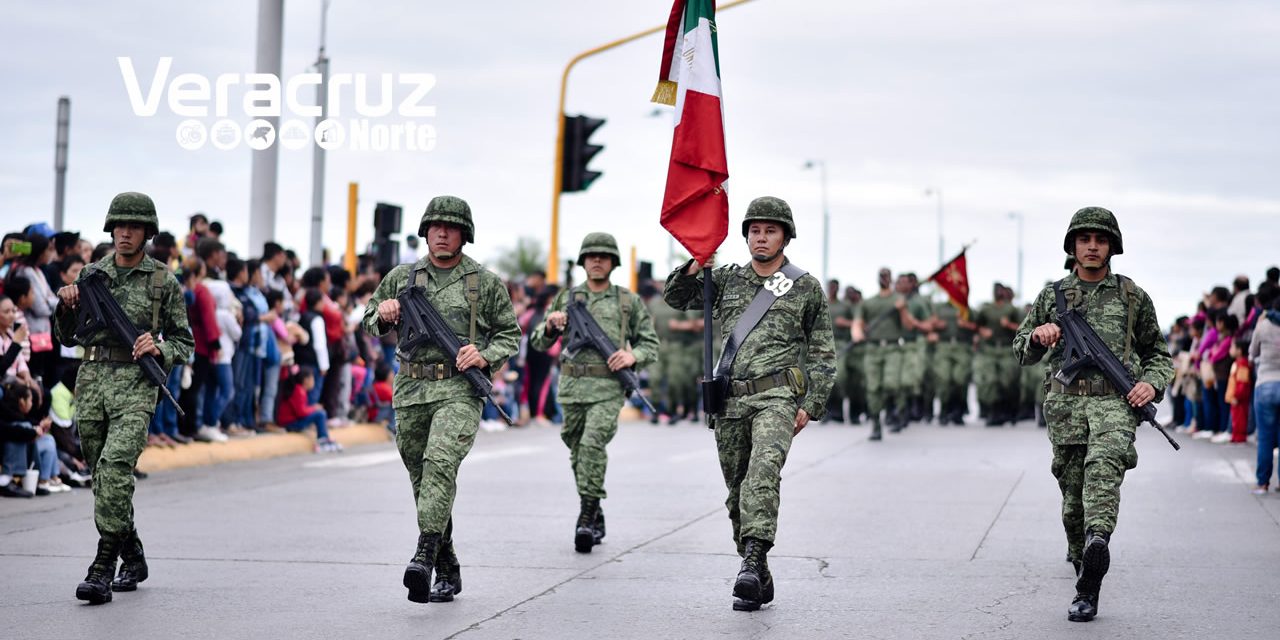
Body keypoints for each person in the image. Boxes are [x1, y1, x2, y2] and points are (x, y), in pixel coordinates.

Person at [663, 196, 836, 612]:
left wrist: (811, 404)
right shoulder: (726, 280)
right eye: (755, 231)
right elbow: (676, 295)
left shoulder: (805, 286)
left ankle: (753, 560)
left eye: (770, 230)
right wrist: (696, 260)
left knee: (762, 474)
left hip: (776, 397)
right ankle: (756, 568)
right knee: (737, 490)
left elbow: (823, 353)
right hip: (730, 400)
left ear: (785, 236)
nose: (761, 238)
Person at [1013, 206, 1173, 622]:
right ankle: (1082, 554)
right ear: (1073, 246)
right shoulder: (1054, 296)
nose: (1092, 247)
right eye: (1084, 239)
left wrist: (1151, 384)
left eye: (1100, 240)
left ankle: (1094, 561)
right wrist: (1037, 336)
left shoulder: (1133, 297)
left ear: (1112, 247)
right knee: (1072, 501)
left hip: (1115, 406)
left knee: (1102, 474)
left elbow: (1158, 353)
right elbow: (1021, 351)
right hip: (1066, 407)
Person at [361, 196, 520, 604]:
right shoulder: (402, 276)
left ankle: (423, 556)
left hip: (458, 389)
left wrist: (484, 354)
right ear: (425, 232)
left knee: (439, 463)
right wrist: (385, 311)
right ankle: (448, 567)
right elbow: (370, 317)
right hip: (411, 390)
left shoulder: (483, 282)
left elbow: (509, 334)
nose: (443, 233)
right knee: (424, 480)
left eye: (451, 227)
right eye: (436, 227)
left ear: (464, 234)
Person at [53, 192, 194, 604]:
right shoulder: (91, 275)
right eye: (119, 225)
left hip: (136, 386)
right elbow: (66, 337)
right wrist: (65, 306)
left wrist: (160, 348)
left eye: (133, 226)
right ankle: (133, 554)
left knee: (115, 472)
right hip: (93, 382)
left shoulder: (162, 280)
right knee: (103, 481)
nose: (125, 233)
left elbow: (185, 341)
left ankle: (102, 566)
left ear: (147, 232)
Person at [530, 232, 660, 552]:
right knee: (576, 450)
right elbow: (537, 341)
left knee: (591, 446)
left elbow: (650, 344)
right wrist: (550, 326)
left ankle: (586, 515)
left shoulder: (627, 301)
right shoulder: (567, 299)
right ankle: (595, 509)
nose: (597, 261)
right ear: (583, 262)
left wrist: (632, 356)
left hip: (608, 386)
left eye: (603, 256)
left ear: (613, 262)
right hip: (572, 385)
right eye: (591, 256)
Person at [1250, 291, 1280, 493]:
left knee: (1265, 438)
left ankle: (1263, 483)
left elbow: (1253, 353)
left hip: (1266, 384)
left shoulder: (1263, 325)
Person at [275, 365, 341, 452]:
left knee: (320, 413)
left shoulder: (300, 390)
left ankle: (324, 437)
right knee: (320, 414)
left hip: (290, 422)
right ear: (306, 380)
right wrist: (314, 408)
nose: (313, 381)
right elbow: (301, 412)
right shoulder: (298, 391)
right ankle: (323, 439)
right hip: (290, 423)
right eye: (312, 378)